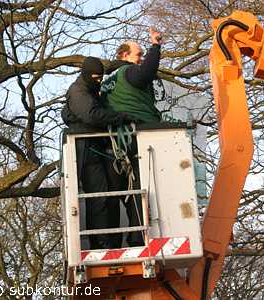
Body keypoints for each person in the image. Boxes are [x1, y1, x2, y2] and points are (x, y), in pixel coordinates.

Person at [101, 27, 163, 248]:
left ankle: (113, 241)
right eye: (139, 55)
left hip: (116, 142)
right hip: (138, 136)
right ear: (124, 56)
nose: (141, 59)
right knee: (142, 187)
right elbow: (146, 73)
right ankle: (138, 238)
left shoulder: (108, 81)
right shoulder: (128, 73)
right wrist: (156, 46)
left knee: (123, 190)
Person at [61, 56, 129, 250]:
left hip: (96, 147)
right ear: (87, 74)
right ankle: (101, 242)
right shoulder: (78, 91)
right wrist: (119, 118)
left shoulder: (89, 89)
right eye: (96, 77)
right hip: (86, 149)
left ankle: (113, 240)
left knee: (111, 193)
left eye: (101, 78)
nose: (99, 81)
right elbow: (91, 115)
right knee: (98, 195)